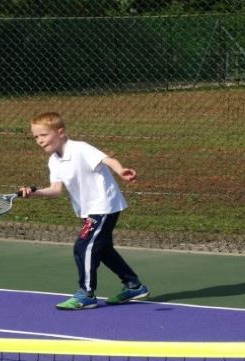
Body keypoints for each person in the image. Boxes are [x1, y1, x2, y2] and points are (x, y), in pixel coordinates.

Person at [20, 112, 149, 310]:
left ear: (60, 132)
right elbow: (55, 190)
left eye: (43, 135)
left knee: (83, 246)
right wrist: (34, 192)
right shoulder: (54, 160)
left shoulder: (80, 148)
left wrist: (121, 170)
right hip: (89, 210)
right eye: (36, 136)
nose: (39, 140)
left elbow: (107, 160)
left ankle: (86, 294)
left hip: (104, 205)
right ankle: (134, 285)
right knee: (103, 249)